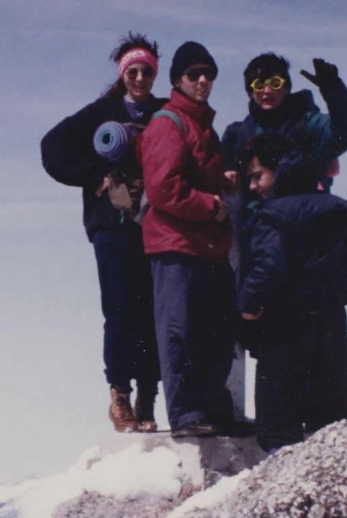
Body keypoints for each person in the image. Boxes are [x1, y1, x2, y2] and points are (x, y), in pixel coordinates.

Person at [41, 33, 166, 433]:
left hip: (157, 224)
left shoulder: (165, 112)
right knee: (119, 308)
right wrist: (93, 176)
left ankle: (148, 396)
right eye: (133, 71)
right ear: (123, 73)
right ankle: (120, 397)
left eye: (147, 71)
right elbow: (52, 148)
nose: (140, 78)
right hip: (111, 226)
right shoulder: (102, 112)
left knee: (153, 311)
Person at [136, 40, 251, 438]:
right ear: (177, 80)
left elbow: (192, 177)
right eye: (194, 74)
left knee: (217, 330)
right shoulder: (167, 124)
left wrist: (222, 181)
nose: (203, 81)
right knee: (179, 331)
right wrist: (210, 206)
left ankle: (213, 411)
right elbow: (164, 189)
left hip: (205, 247)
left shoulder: (202, 126)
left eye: (209, 74)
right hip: (175, 245)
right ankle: (186, 414)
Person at [237, 134, 347, 452]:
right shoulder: (338, 209)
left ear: (279, 171)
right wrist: (334, 297)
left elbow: (269, 266)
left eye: (257, 176)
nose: (254, 187)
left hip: (283, 330)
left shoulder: (271, 214)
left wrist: (249, 304)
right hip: (331, 328)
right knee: (330, 425)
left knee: (278, 429)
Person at [221, 53, 347, 230]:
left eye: (274, 83)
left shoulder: (308, 125)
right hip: (259, 233)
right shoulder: (236, 135)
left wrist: (333, 89)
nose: (266, 91)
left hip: (303, 228)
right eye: (258, 85)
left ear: (286, 87)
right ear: (250, 92)